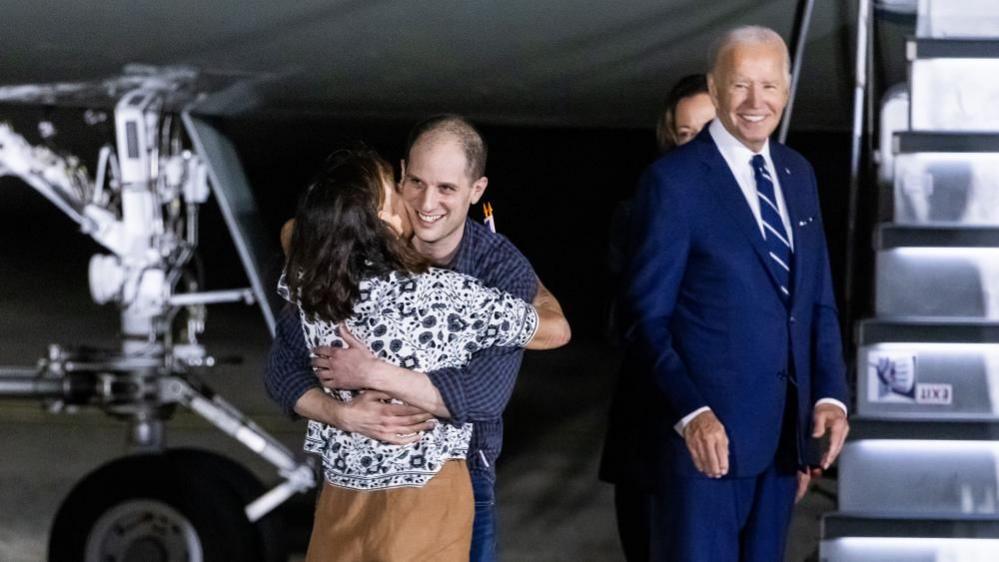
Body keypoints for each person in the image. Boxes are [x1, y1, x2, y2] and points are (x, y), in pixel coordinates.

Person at [265, 115, 554, 561]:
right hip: (346, 480)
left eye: (446, 189)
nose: (425, 202)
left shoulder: (493, 270)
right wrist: (345, 417)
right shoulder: (339, 266)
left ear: (476, 192)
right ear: (399, 180)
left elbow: (484, 396)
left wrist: (373, 373)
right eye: (414, 183)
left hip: (446, 478)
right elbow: (282, 369)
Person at [624, 26, 849, 561]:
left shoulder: (799, 174)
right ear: (716, 86)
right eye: (741, 85)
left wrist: (829, 395)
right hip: (706, 450)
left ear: (787, 90)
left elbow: (816, 299)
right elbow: (644, 318)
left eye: (769, 86)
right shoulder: (674, 181)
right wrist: (691, 412)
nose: (756, 102)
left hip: (780, 447)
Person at [599, 73, 716, 562]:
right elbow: (625, 325)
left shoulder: (768, 214)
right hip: (652, 432)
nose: (698, 147)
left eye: (710, 132)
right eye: (686, 135)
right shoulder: (638, 214)